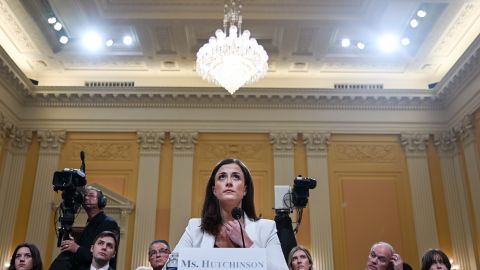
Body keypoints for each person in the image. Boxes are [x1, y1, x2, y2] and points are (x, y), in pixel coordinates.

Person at [174, 158, 288, 270]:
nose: (228, 182)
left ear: (245, 190)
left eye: (236, 177)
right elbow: (170, 266)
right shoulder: (194, 228)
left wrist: (247, 243)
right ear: (214, 190)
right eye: (222, 177)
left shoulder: (266, 229)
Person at [49, 186, 120, 270]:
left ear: (102, 201)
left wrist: (76, 248)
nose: (86, 198)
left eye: (91, 195)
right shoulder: (89, 224)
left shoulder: (109, 223)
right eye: (85, 196)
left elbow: (102, 256)